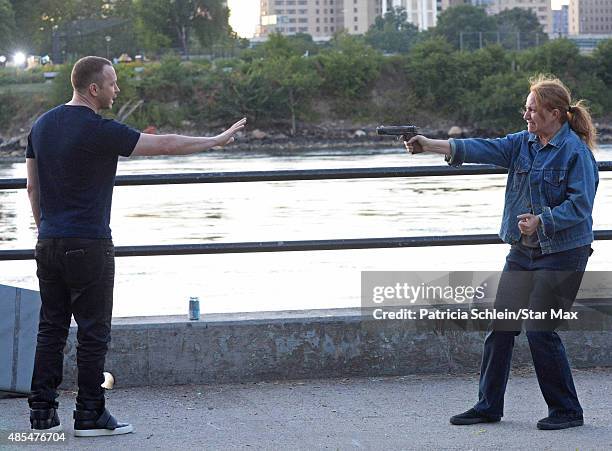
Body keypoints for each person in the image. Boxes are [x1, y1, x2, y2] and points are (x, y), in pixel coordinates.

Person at [25, 56, 245, 437]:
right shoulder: (99, 129)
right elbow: (162, 145)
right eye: (112, 83)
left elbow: (32, 187)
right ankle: (89, 414)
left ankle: (42, 414)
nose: (117, 89)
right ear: (93, 88)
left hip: (49, 242)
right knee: (93, 333)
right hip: (89, 243)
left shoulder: (41, 126)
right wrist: (214, 140)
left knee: (51, 329)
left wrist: (45, 228)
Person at [405, 75, 598, 430]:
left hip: (563, 253)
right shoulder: (521, 144)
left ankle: (567, 410)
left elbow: (581, 207)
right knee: (501, 327)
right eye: (525, 109)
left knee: (541, 330)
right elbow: (481, 148)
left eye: (533, 110)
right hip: (523, 252)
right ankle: (488, 406)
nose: (526, 116)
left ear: (555, 113)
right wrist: (428, 145)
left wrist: (542, 220)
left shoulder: (576, 153)